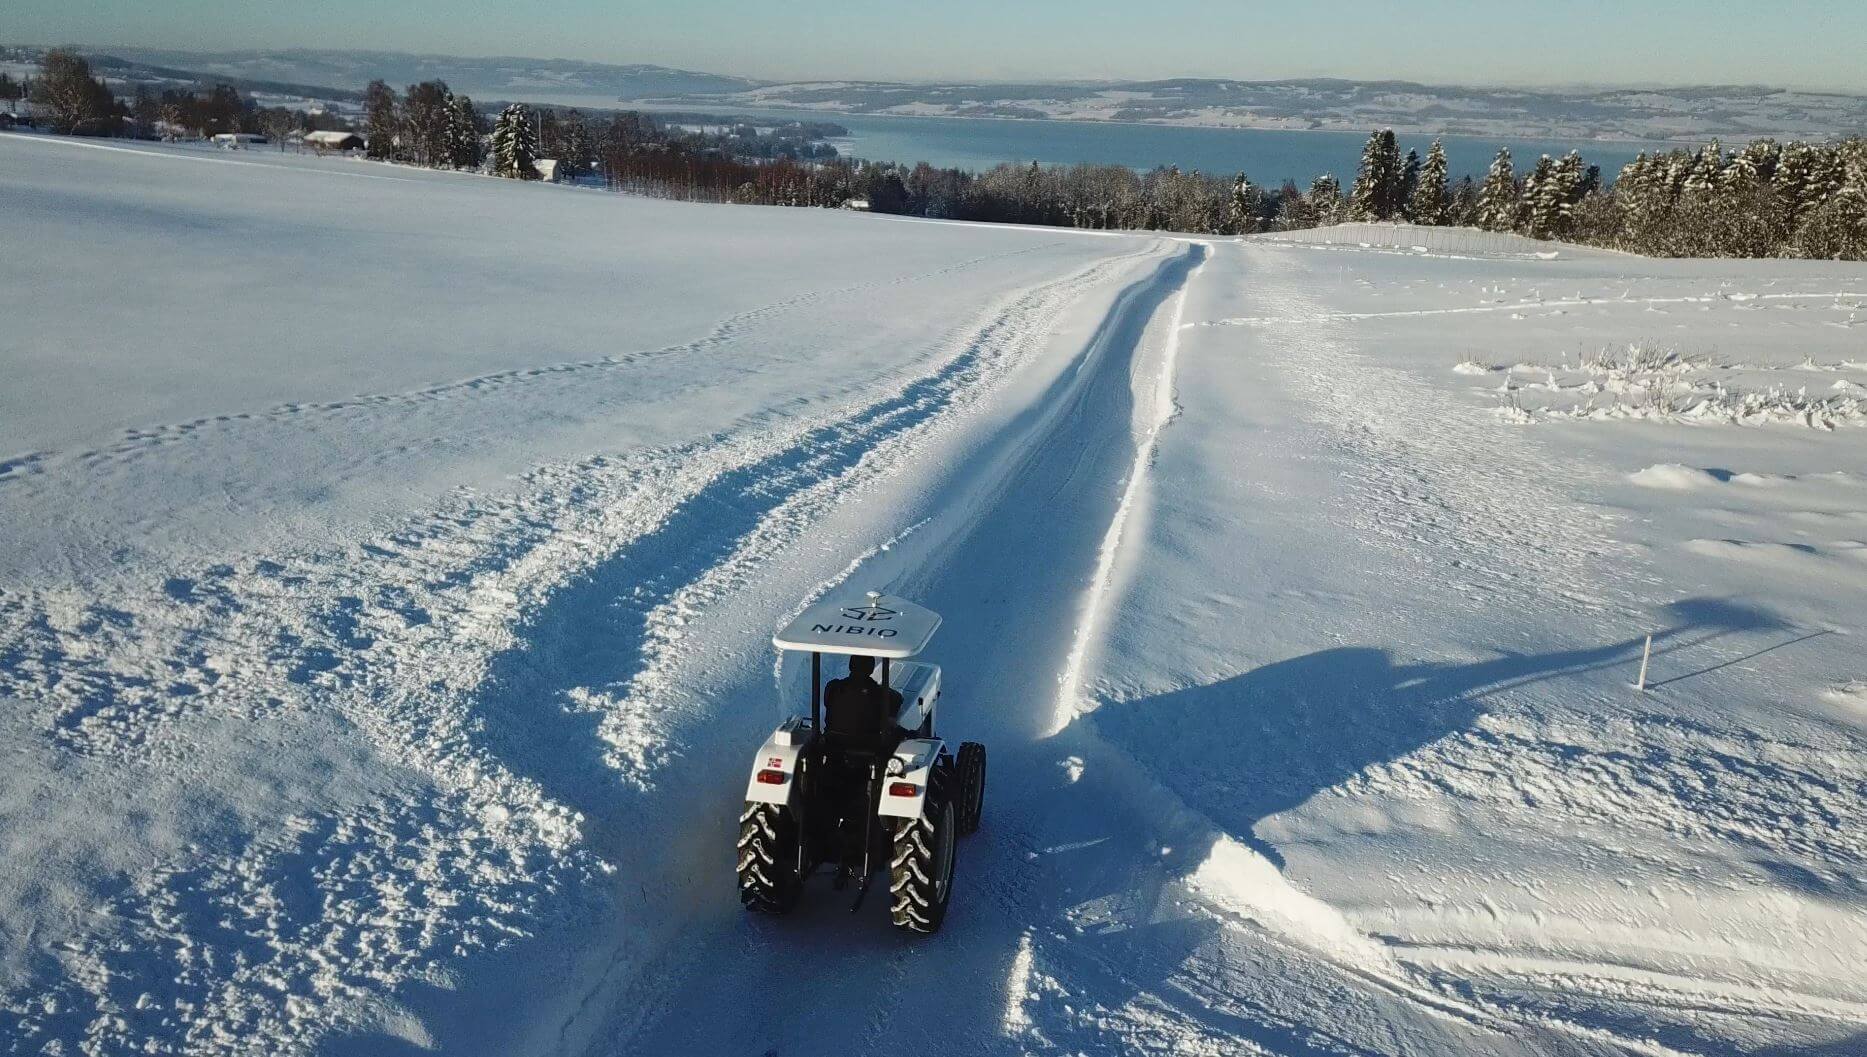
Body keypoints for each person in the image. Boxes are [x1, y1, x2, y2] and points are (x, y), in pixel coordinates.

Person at [823, 655, 902, 739]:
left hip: (832, 741)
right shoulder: (883, 693)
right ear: (871, 669)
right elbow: (891, 717)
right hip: (866, 745)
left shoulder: (833, 687)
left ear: (850, 665)